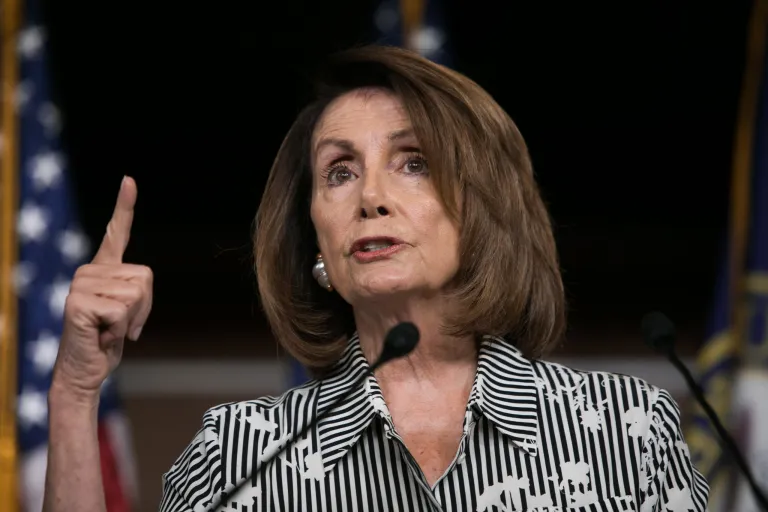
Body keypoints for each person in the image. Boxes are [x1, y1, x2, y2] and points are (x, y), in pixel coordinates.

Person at [44, 46, 709, 512]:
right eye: (339, 172)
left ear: (482, 209)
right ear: (317, 244)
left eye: (413, 163)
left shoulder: (625, 432)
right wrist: (76, 394)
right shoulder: (240, 455)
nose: (370, 197)